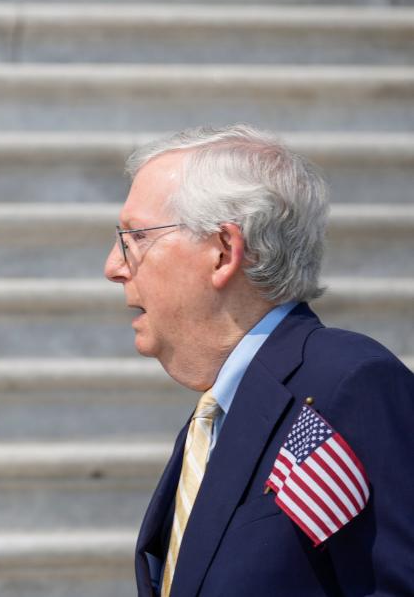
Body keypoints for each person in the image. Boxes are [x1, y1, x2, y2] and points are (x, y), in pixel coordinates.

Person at [104, 125, 414, 597]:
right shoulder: (219, 410)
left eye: (136, 237)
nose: (115, 265)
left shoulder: (349, 385)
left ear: (224, 251)